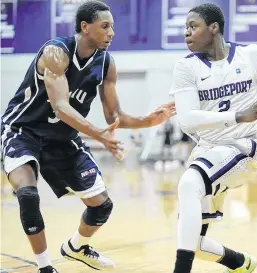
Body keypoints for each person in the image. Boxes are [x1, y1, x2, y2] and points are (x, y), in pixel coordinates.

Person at [1, 1, 175, 273]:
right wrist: (99, 136)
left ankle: (76, 248)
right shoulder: (56, 52)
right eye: (105, 26)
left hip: (62, 139)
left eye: (112, 27)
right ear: (85, 27)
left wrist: (150, 120)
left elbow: (114, 115)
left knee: (101, 205)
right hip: (24, 130)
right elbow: (60, 106)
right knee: (28, 195)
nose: (112, 33)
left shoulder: (106, 63)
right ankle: (45, 267)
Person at [169, 3, 257, 273]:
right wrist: (238, 114)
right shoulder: (185, 67)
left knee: (189, 184)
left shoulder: (251, 55)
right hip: (207, 150)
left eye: (193, 26)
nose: (187, 33)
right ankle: (240, 262)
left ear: (214, 28)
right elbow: (187, 119)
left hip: (243, 147)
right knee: (193, 240)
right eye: (185, 28)